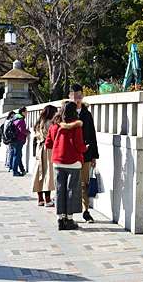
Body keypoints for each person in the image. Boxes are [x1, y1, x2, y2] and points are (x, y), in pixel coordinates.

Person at [45, 101, 87, 231]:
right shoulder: (76, 126)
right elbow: (79, 146)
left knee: (59, 189)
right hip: (73, 162)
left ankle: (60, 218)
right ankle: (69, 219)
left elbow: (48, 144)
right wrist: (86, 148)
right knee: (71, 190)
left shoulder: (54, 126)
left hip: (58, 162)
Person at [69, 84, 99, 224]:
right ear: (70, 96)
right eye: (75, 96)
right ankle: (68, 213)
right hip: (70, 155)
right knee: (70, 184)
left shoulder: (87, 114)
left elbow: (92, 135)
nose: (77, 98)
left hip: (85, 154)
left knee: (84, 184)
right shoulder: (66, 113)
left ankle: (86, 211)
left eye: (79, 95)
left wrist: (94, 155)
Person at [32, 105, 57, 206]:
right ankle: (47, 199)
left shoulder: (39, 122)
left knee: (39, 173)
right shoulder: (50, 123)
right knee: (48, 173)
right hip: (48, 149)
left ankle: (40, 199)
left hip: (39, 148)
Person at [11, 107, 29, 177]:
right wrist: (27, 132)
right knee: (17, 155)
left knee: (18, 155)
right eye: (26, 111)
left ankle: (22, 170)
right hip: (19, 139)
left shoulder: (15, 118)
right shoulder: (21, 120)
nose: (27, 113)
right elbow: (22, 130)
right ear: (23, 112)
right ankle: (15, 171)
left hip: (14, 139)